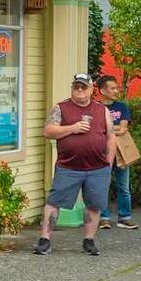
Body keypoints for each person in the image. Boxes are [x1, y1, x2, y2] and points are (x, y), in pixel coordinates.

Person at [34, 73, 115, 256]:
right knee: (54, 202)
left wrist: (108, 163)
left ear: (91, 89)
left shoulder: (102, 110)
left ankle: (89, 240)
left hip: (97, 168)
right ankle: (44, 240)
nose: (79, 90)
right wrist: (72, 128)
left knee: (94, 205)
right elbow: (47, 131)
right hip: (68, 166)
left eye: (83, 87)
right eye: (76, 87)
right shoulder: (61, 108)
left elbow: (111, 136)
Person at [95, 75, 137, 230]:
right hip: (101, 151)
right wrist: (114, 128)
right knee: (102, 185)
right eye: (112, 88)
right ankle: (103, 218)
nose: (115, 90)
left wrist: (107, 129)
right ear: (102, 90)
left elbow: (123, 128)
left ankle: (124, 217)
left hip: (120, 152)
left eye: (116, 87)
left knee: (124, 186)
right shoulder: (95, 107)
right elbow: (96, 129)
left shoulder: (121, 107)